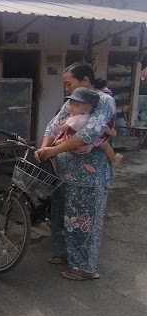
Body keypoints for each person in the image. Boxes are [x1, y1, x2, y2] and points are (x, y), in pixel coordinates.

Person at [36, 63, 116, 280]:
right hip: (64, 172)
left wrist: (54, 150)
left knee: (83, 220)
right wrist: (45, 147)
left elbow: (90, 133)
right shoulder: (73, 101)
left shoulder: (103, 101)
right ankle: (65, 255)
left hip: (88, 176)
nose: (66, 88)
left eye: (68, 83)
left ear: (85, 81)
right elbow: (53, 126)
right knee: (62, 215)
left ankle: (84, 268)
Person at [53, 87, 121, 166]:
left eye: (76, 105)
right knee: (105, 144)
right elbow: (103, 128)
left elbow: (61, 128)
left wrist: (61, 125)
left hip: (78, 142)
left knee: (63, 141)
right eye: (71, 104)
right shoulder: (91, 117)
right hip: (85, 142)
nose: (71, 107)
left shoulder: (75, 119)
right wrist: (111, 132)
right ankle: (113, 159)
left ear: (87, 108)